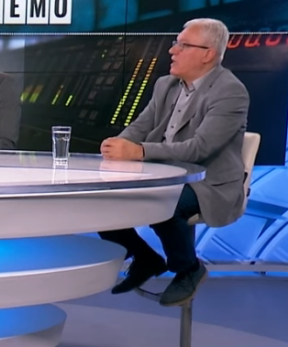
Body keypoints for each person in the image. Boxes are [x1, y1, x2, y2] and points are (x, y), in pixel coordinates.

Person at [99, 18, 250, 307]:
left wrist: (139, 152)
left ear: (207, 54)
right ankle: (145, 258)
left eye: (182, 45)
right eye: (175, 44)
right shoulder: (166, 84)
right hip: (164, 173)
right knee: (104, 198)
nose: (172, 51)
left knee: (165, 203)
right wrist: (117, 146)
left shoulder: (230, 91)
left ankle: (189, 268)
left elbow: (200, 148)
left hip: (209, 182)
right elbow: (141, 126)